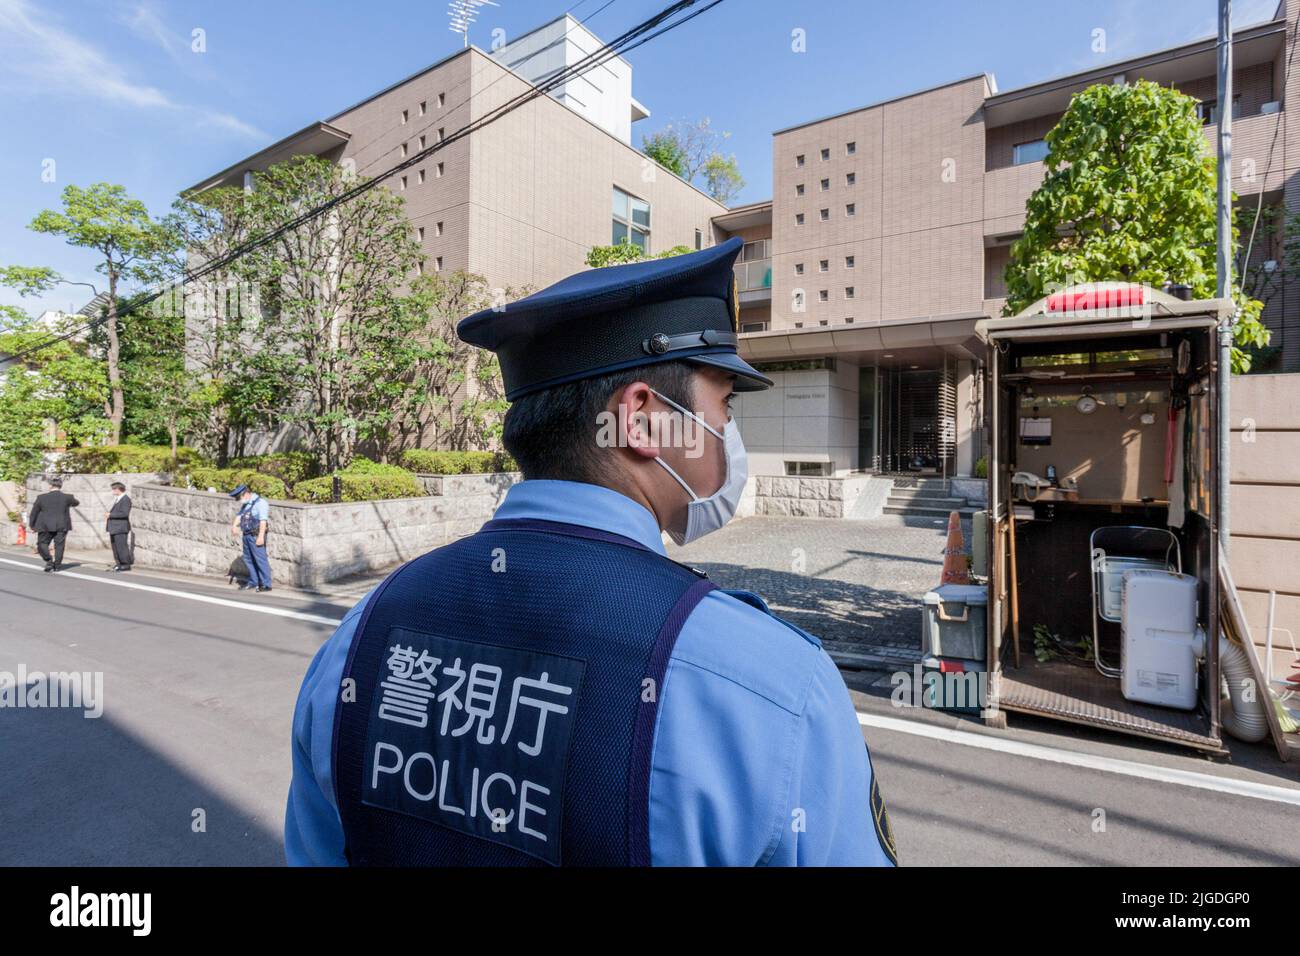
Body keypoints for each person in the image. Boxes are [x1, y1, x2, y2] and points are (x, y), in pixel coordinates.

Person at [284, 237, 898, 867]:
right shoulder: (771, 684)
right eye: (725, 405)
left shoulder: (359, 637)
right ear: (643, 419)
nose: (728, 435)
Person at [28, 476, 79, 573]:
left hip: (45, 525)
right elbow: (76, 503)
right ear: (61, 486)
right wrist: (70, 504)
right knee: (59, 545)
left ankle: (49, 561)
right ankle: (57, 565)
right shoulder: (68, 497)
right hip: (62, 525)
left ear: (50, 486)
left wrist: (32, 525)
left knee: (42, 544)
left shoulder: (41, 497)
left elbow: (34, 512)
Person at [229, 483, 272, 593]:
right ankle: (253, 581)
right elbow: (240, 515)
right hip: (247, 535)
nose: (239, 500)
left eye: (239, 498)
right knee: (248, 559)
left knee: (260, 560)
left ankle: (266, 584)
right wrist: (234, 526)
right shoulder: (246, 504)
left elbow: (263, 521)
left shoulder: (261, 503)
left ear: (246, 494)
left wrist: (261, 537)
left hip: (256, 535)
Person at [105, 481, 132, 572]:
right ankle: (118, 563)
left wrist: (111, 514)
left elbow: (124, 513)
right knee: (115, 547)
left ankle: (125, 564)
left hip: (120, 528)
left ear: (118, 489)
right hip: (115, 528)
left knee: (121, 546)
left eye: (113, 489)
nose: (112, 491)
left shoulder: (125, 499)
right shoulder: (119, 499)